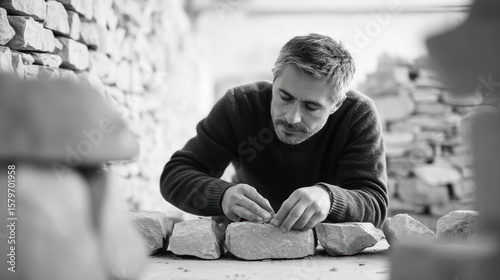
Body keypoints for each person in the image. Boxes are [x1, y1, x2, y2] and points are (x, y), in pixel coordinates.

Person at [160, 33, 388, 232]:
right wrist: (222, 196)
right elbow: (175, 175)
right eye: (285, 97)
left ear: (336, 105)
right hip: (241, 236)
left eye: (311, 106)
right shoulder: (239, 105)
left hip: (325, 247)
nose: (291, 117)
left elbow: (375, 204)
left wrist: (330, 199)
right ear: (274, 79)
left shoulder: (358, 115)